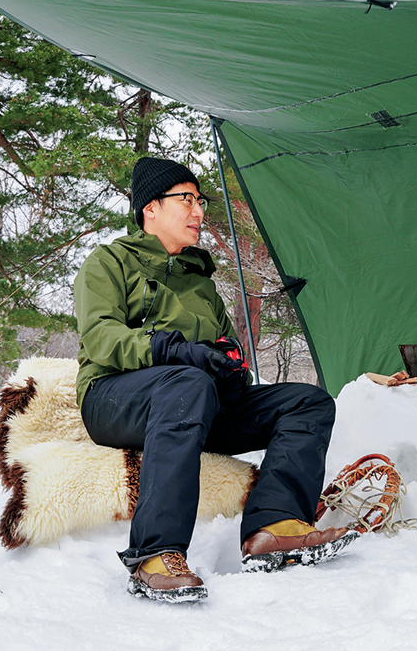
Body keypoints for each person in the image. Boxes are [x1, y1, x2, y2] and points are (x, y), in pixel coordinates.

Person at [74, 155, 352, 602]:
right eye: (187, 199)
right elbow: (102, 337)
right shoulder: (109, 263)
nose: (199, 211)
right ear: (151, 208)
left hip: (193, 402)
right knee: (188, 383)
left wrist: (229, 366)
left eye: (200, 200)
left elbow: (220, 347)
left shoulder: (199, 281)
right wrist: (170, 349)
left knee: (307, 402)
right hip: (112, 398)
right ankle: (154, 554)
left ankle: (273, 526)